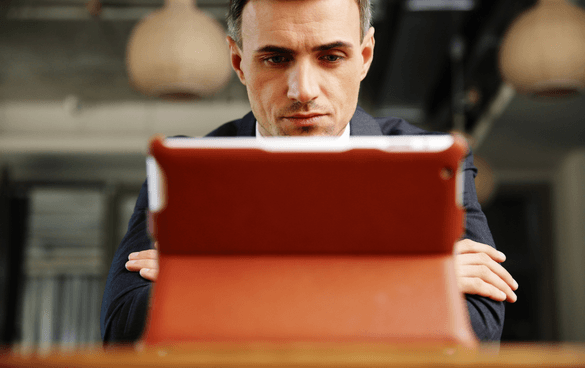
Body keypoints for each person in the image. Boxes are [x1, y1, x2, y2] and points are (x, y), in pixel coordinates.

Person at [101, 0, 518, 343]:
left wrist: (212, 282)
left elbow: (477, 324)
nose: (304, 89)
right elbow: (125, 326)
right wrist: (415, 278)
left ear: (365, 56)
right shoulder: (181, 172)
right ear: (239, 61)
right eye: (276, 58)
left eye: (331, 56)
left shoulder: (435, 160)